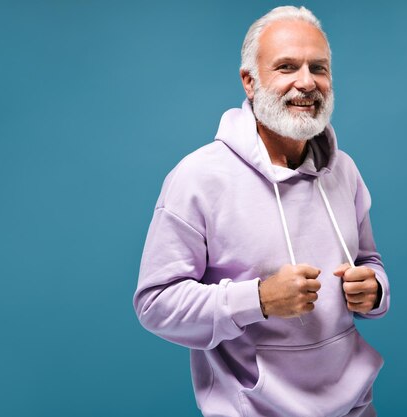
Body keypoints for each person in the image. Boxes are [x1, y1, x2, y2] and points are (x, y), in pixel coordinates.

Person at [133, 6, 390, 417]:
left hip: (356, 407)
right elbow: (155, 304)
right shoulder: (198, 177)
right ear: (250, 81)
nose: (307, 82)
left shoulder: (344, 170)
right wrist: (258, 299)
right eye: (287, 66)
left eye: (318, 68)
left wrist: (374, 289)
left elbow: (368, 260)